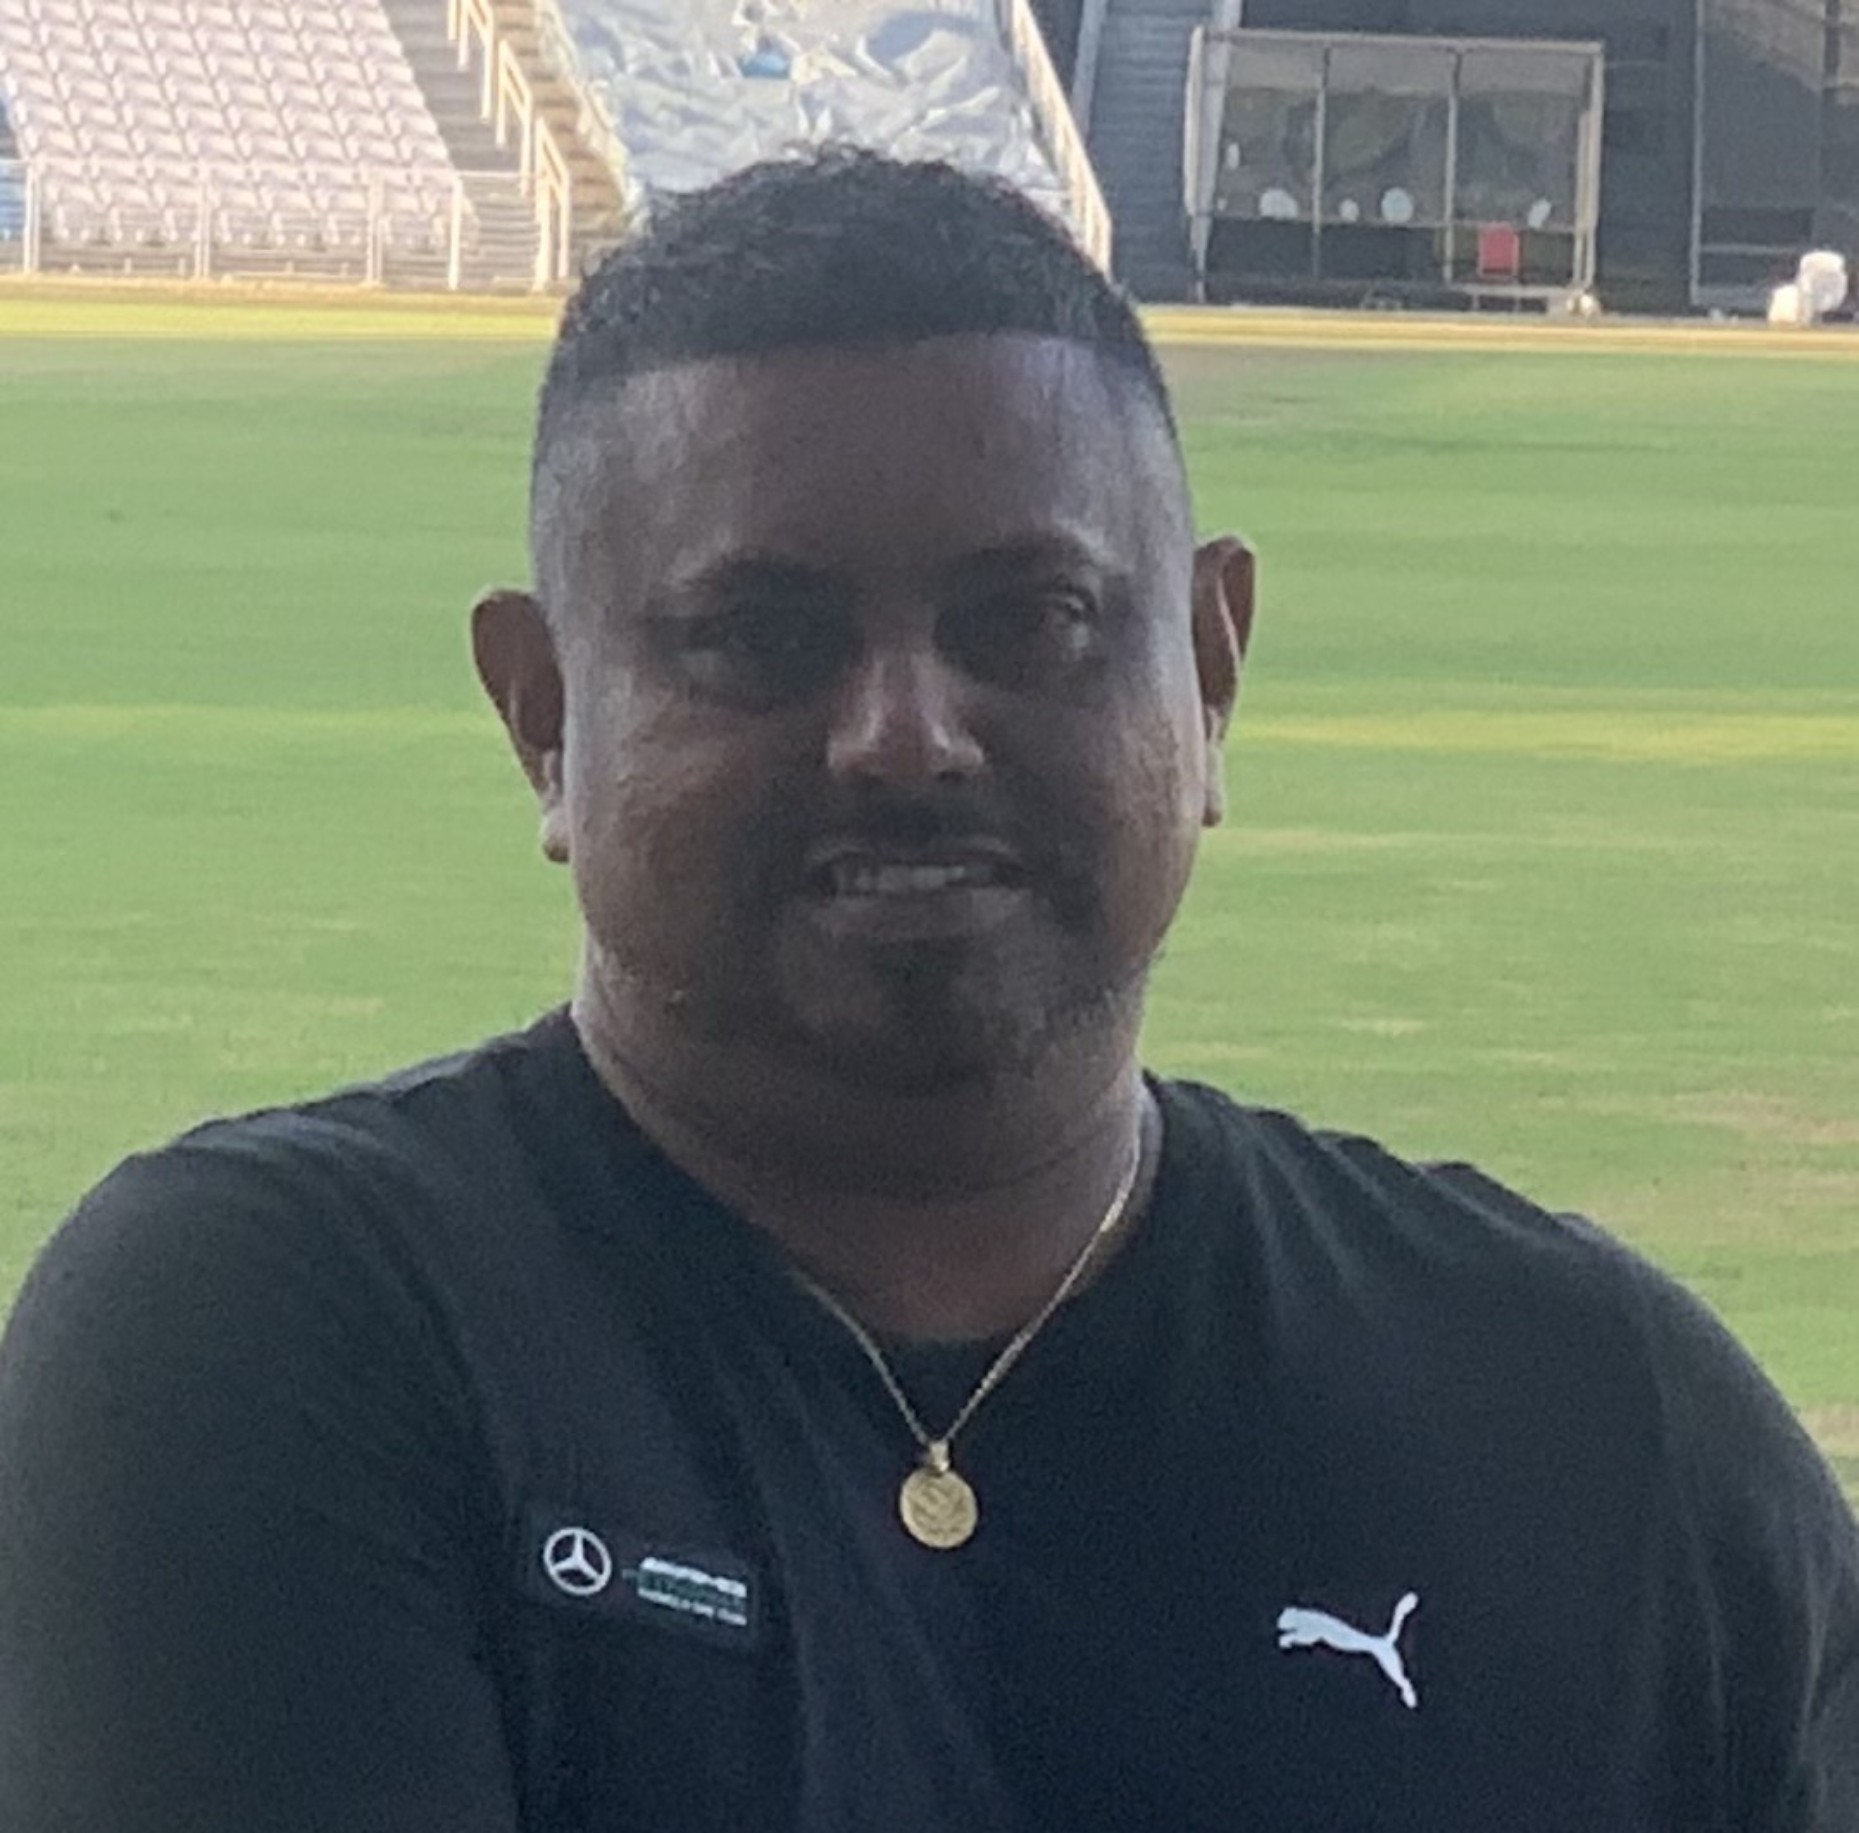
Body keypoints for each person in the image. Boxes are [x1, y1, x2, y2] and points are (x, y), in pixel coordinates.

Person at [1, 150, 1854, 1833]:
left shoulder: (1589, 1421)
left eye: (1030, 618)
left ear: (1210, 669)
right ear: (544, 716)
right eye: (761, 635)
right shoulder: (277, 1341)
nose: (905, 735)